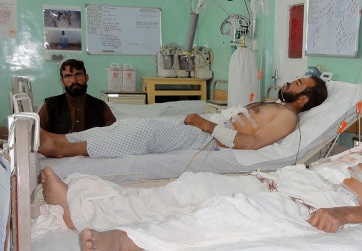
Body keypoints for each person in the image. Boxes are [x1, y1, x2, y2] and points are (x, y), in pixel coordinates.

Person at [38, 116, 362, 251]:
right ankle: (83, 211)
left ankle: (126, 243)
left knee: (227, 215)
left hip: (316, 204)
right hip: (288, 179)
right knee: (190, 186)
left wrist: (345, 215)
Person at [37, 75, 327, 158]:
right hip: (205, 127)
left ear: (302, 100)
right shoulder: (275, 104)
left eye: (298, 85)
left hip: (211, 139)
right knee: (134, 126)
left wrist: (206, 124)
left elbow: (250, 144)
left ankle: (63, 148)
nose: (290, 83)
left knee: (142, 134)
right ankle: (62, 139)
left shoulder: (288, 118)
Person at [38, 59, 116, 134]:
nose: (74, 81)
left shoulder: (101, 107)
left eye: (78, 74)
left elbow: (113, 135)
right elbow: (37, 135)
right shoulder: (50, 106)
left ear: (86, 78)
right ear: (62, 81)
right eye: (68, 76)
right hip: (59, 147)